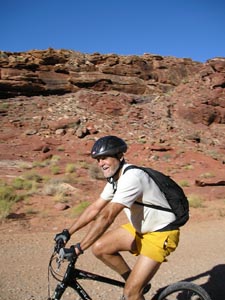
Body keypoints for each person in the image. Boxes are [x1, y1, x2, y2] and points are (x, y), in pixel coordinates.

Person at [54, 135, 180, 300]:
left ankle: (134, 289)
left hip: (161, 233)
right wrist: (67, 232)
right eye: (98, 159)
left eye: (104, 158)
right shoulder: (115, 179)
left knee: (131, 293)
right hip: (140, 228)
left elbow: (107, 216)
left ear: (120, 156)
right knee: (100, 247)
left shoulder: (132, 178)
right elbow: (95, 208)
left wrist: (79, 248)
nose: (100, 163)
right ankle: (135, 282)